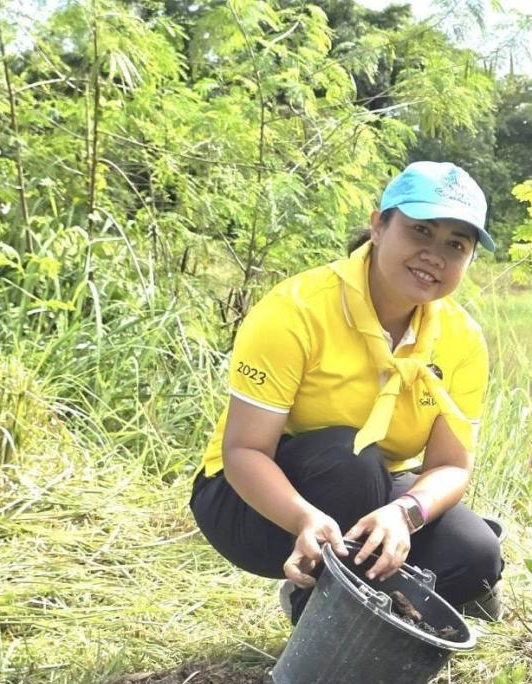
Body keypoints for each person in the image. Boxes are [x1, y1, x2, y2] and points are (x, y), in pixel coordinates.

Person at [190, 161, 503, 623]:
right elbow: (243, 450)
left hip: (375, 490)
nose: (434, 255)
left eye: (455, 244)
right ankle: (319, 611)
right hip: (251, 498)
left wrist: (404, 514)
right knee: (348, 458)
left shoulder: (461, 339)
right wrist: (301, 519)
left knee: (476, 553)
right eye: (420, 231)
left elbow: (451, 465)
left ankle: (339, 594)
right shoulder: (297, 309)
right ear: (378, 226)